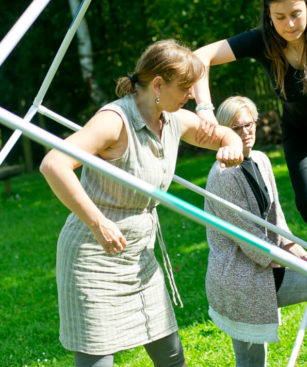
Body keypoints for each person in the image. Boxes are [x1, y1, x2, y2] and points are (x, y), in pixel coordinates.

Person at [39, 40, 243, 367]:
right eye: (185, 87)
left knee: (172, 357)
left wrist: (232, 143)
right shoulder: (115, 120)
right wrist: (98, 223)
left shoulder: (173, 119)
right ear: (158, 85)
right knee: (97, 361)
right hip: (94, 255)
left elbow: (223, 135)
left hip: (140, 257)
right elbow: (53, 164)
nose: (192, 94)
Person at [193, 0, 307, 261]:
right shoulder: (261, 41)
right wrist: (204, 108)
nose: (289, 24)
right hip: (302, 136)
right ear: (268, 15)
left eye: (296, 14)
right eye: (279, 17)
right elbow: (201, 56)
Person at [204, 96, 307, 367]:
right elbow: (254, 245)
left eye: (249, 124)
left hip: (262, 271)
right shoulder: (223, 176)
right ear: (223, 130)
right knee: (251, 362)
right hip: (240, 280)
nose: (245, 132)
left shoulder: (261, 160)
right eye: (236, 127)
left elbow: (277, 224)